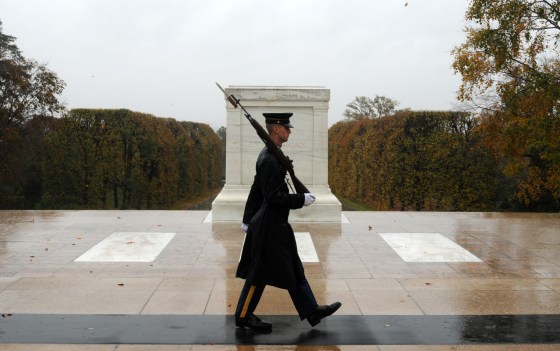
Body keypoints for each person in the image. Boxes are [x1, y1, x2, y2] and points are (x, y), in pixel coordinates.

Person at [234, 112, 341, 332]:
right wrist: (300, 199)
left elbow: (257, 190)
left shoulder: (273, 156)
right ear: (275, 129)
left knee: (293, 267)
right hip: (269, 227)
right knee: (258, 273)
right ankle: (243, 316)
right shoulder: (269, 160)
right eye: (286, 128)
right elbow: (273, 198)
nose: (289, 131)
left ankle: (312, 310)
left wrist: (247, 218)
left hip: (275, 225)